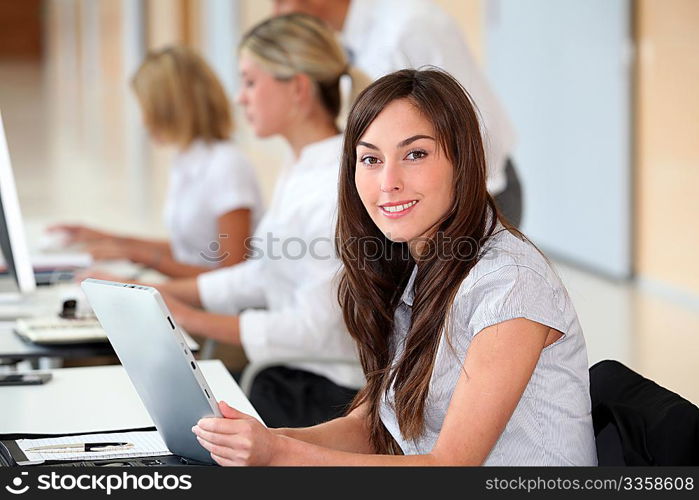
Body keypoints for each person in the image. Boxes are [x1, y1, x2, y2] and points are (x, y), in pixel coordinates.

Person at [190, 69, 597, 466]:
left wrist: (280, 455)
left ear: (463, 160)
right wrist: (266, 441)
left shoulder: (510, 285)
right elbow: (372, 428)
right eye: (370, 159)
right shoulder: (415, 263)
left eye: (415, 154)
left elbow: (449, 468)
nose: (388, 182)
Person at [88, 14, 370, 428]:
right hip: (290, 375)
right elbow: (261, 275)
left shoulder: (334, 185)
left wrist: (186, 316)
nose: (239, 98)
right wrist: (159, 293)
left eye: (250, 82)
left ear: (298, 89)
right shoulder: (302, 169)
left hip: (321, 396)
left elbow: (316, 331)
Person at [272, 0, 523, 227]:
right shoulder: (348, 42)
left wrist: (463, 214)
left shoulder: (410, 26)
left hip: (479, 192)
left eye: (280, 2)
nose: (275, 15)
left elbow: (475, 121)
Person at [52, 46, 263, 278]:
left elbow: (231, 276)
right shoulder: (187, 159)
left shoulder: (227, 166)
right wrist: (109, 240)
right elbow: (189, 252)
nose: (143, 121)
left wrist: (141, 257)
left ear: (172, 109)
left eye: (148, 109)